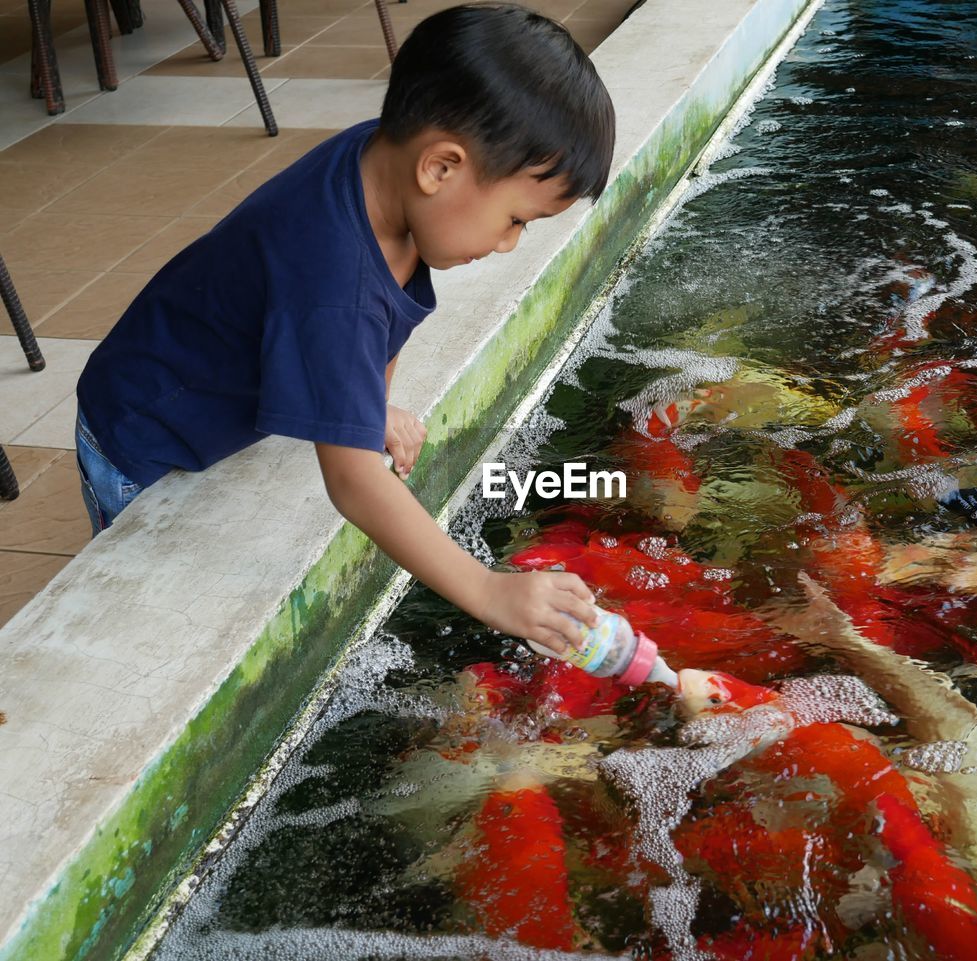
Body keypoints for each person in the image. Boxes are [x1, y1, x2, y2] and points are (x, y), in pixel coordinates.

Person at [73, 3, 613, 653]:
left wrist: (370, 404)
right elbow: (353, 479)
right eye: (516, 219)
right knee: (141, 610)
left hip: (182, 370)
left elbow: (385, 308)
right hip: (141, 433)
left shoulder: (384, 170)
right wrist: (488, 590)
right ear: (440, 167)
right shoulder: (335, 283)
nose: (509, 244)